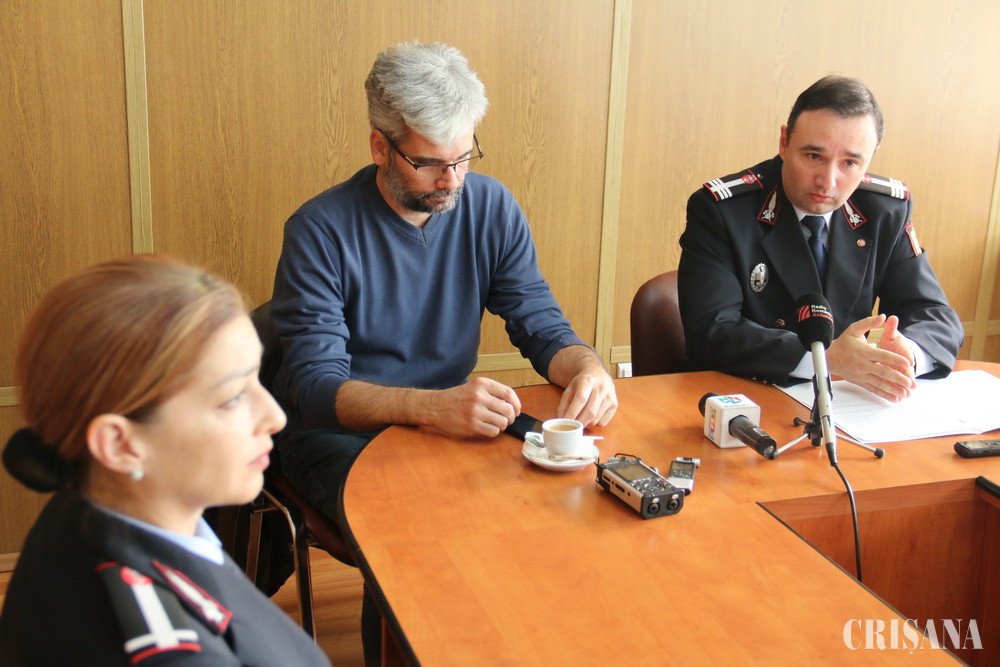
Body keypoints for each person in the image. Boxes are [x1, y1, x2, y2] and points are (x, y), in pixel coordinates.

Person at [269, 41, 617, 522]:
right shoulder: (319, 231)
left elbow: (540, 325)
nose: (452, 181)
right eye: (429, 163)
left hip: (446, 423)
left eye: (463, 157)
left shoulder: (491, 206)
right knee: (426, 523)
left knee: (535, 507)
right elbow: (315, 389)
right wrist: (430, 407)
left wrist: (588, 369)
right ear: (380, 147)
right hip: (338, 436)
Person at [0, 255, 330, 666]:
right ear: (119, 445)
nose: (275, 417)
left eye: (257, 380)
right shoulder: (173, 653)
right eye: (232, 398)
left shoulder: (89, 500)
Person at [678, 75, 963, 402]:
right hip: (748, 398)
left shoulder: (883, 210)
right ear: (784, 142)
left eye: (850, 163)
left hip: (847, 404)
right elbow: (712, 332)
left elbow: (935, 315)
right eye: (814, 156)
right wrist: (825, 360)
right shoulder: (723, 210)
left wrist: (906, 355)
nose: (828, 181)